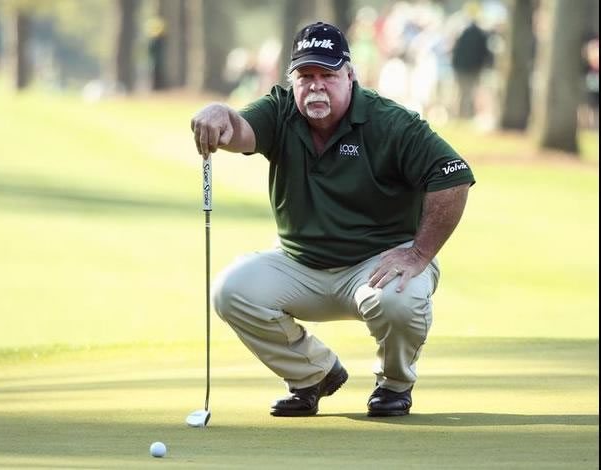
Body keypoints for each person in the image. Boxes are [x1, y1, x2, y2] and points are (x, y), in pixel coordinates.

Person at [190, 21, 475, 418]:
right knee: (231, 290)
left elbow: (453, 175)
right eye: (306, 76)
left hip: (376, 264)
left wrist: (418, 254)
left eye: (328, 75)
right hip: (299, 264)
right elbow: (239, 130)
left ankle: (394, 385)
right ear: (292, 80)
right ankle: (312, 375)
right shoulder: (280, 110)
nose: (316, 86)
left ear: (350, 76)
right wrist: (220, 114)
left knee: (400, 299)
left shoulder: (390, 122)